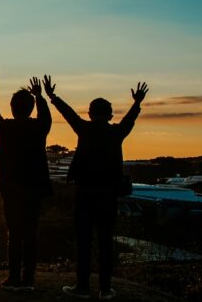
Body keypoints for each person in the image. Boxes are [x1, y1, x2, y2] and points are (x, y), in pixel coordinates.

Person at [48, 81, 149, 300]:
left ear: (91, 113)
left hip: (85, 192)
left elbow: (68, 113)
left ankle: (82, 286)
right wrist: (137, 103)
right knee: (105, 241)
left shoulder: (84, 128)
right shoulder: (117, 132)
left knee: (83, 240)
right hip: (108, 194)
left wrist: (52, 96)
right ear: (110, 115)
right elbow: (130, 119)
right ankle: (105, 288)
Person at [0, 75, 53, 292]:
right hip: (34, 188)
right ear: (31, 108)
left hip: (11, 189)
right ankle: (29, 279)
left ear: (13, 108)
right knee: (30, 233)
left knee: (14, 234)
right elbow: (46, 118)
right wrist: (40, 97)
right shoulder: (39, 128)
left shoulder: (6, 128)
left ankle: (13, 277)